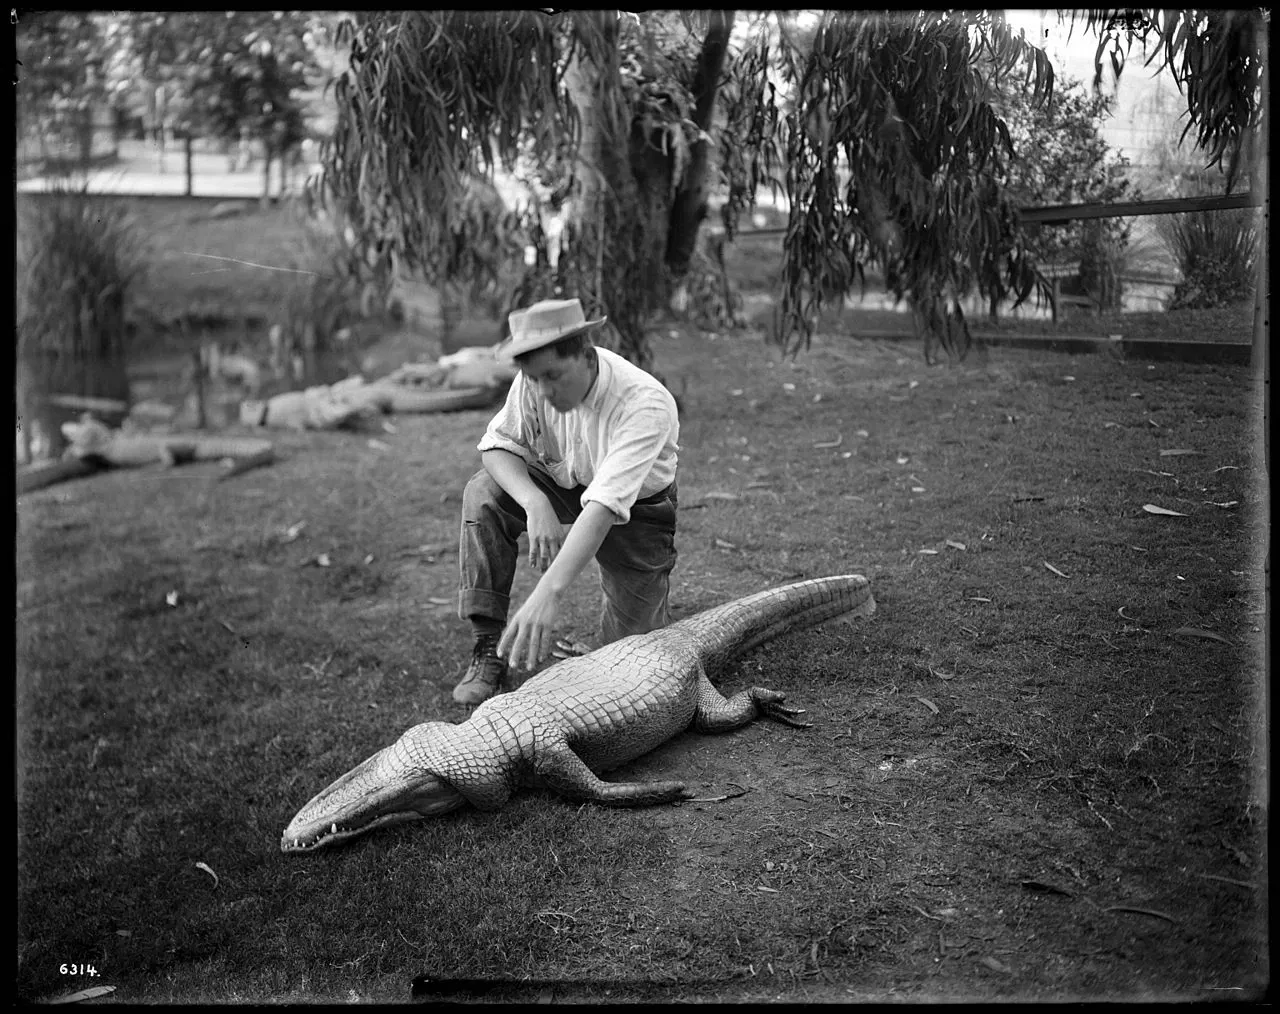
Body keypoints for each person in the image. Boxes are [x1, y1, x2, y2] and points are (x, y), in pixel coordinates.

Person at [452, 297, 680, 705]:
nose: (543, 390)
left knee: (629, 670)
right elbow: (497, 446)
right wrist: (534, 502)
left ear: (587, 356)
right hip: (563, 481)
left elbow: (605, 507)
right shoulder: (535, 379)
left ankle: (634, 617)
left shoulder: (645, 403)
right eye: (534, 378)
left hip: (636, 511)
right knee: (483, 492)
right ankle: (488, 646)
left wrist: (548, 592)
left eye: (553, 376)